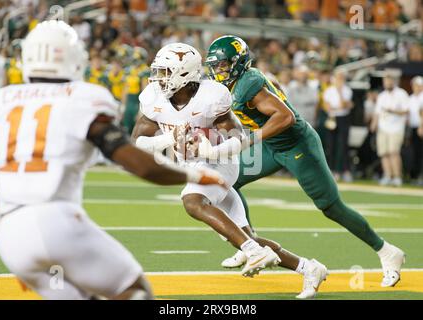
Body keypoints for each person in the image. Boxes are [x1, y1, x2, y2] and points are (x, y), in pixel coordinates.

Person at [0, 20, 224, 300]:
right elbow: (139, 164)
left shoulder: (0, 100)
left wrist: (17, 243)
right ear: (74, 57)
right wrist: (195, 176)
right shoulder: (83, 97)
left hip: (9, 234)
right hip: (57, 222)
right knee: (134, 290)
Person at [205, 35, 405, 288]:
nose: (218, 71)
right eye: (216, 65)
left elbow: (286, 116)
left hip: (297, 145)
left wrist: (247, 140)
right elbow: (274, 88)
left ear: (238, 62)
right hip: (272, 146)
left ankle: (387, 251)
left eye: (223, 65)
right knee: (227, 183)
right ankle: (250, 244)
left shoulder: (248, 83)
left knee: (331, 207)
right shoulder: (244, 81)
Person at [131, 43, 328, 298]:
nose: (160, 78)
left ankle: (254, 252)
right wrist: (170, 140)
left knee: (192, 201)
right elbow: (138, 141)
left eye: (167, 72)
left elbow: (236, 135)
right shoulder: (153, 97)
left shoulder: (212, 96)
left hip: (219, 163)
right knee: (243, 236)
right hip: (191, 165)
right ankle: (308, 268)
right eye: (159, 71)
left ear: (185, 73)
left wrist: (212, 150)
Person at [370, 73, 409, 187]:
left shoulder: (402, 94)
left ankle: (397, 177)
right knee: (384, 153)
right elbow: (377, 112)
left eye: (389, 81)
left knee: (394, 152)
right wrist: (374, 124)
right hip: (383, 127)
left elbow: (406, 111)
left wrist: (392, 111)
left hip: (396, 127)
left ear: (394, 81)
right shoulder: (382, 95)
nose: (387, 83)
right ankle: (388, 175)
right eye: (386, 81)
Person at [323, 69, 354, 182]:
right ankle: (332, 170)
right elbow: (327, 107)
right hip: (332, 118)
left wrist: (339, 91)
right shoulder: (329, 90)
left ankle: (344, 171)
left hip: (343, 119)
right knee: (331, 145)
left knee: (343, 145)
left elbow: (343, 105)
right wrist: (338, 107)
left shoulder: (347, 90)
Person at [407, 76, 423, 184]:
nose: (416, 87)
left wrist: (421, 127)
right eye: (414, 85)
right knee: (416, 153)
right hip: (413, 128)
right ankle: (416, 176)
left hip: (420, 128)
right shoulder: (411, 97)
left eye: (418, 85)